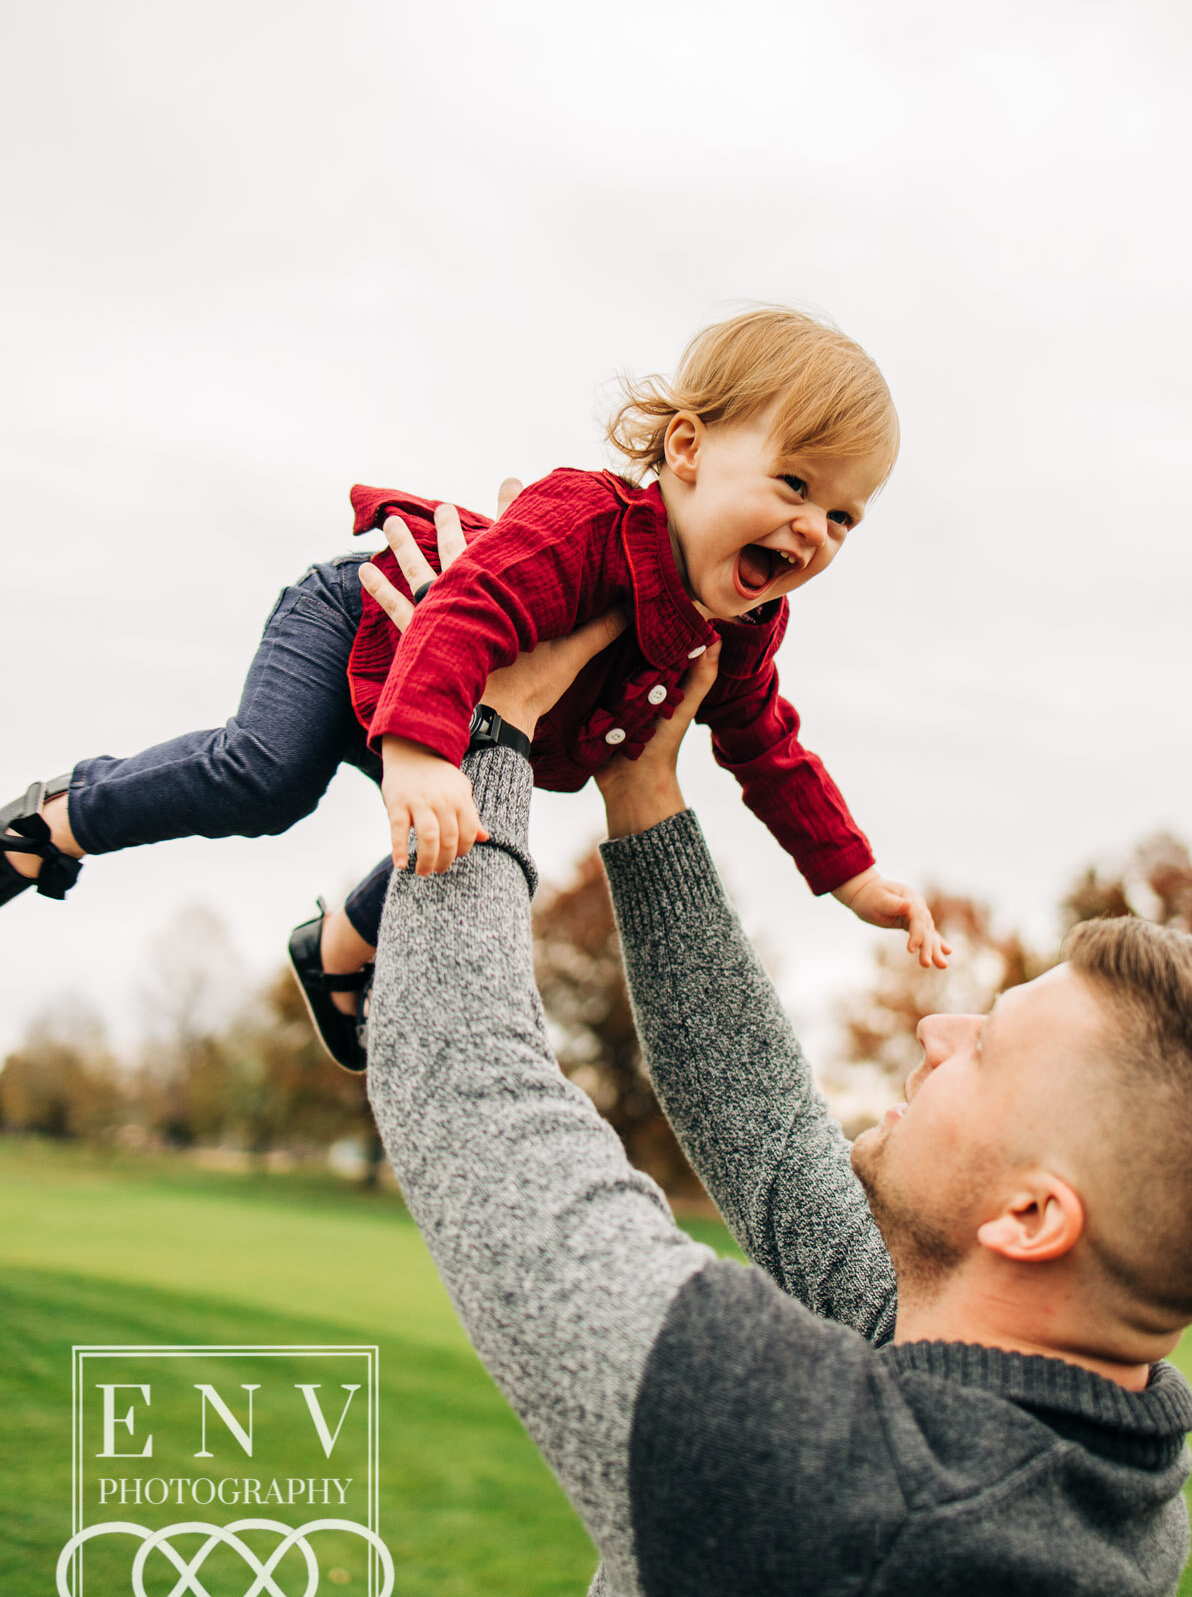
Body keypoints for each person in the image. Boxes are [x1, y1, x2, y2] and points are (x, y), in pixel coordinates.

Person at [360, 508, 1192, 1597]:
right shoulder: (1056, 1429)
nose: (940, 1028)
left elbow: (468, 1090)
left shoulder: (851, 1499)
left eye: (984, 1049)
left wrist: (489, 725)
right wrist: (642, 784)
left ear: (1034, 1214)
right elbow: (774, 1133)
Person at [0, 308, 947, 1073]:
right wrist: (417, 751)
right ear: (689, 450)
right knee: (267, 779)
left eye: (842, 515)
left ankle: (334, 947)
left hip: (456, 710)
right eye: (793, 483)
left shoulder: (743, 628)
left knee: (479, 843)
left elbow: (765, 744)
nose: (813, 528)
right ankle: (61, 816)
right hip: (363, 627)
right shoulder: (584, 521)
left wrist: (849, 875)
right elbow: (468, 609)